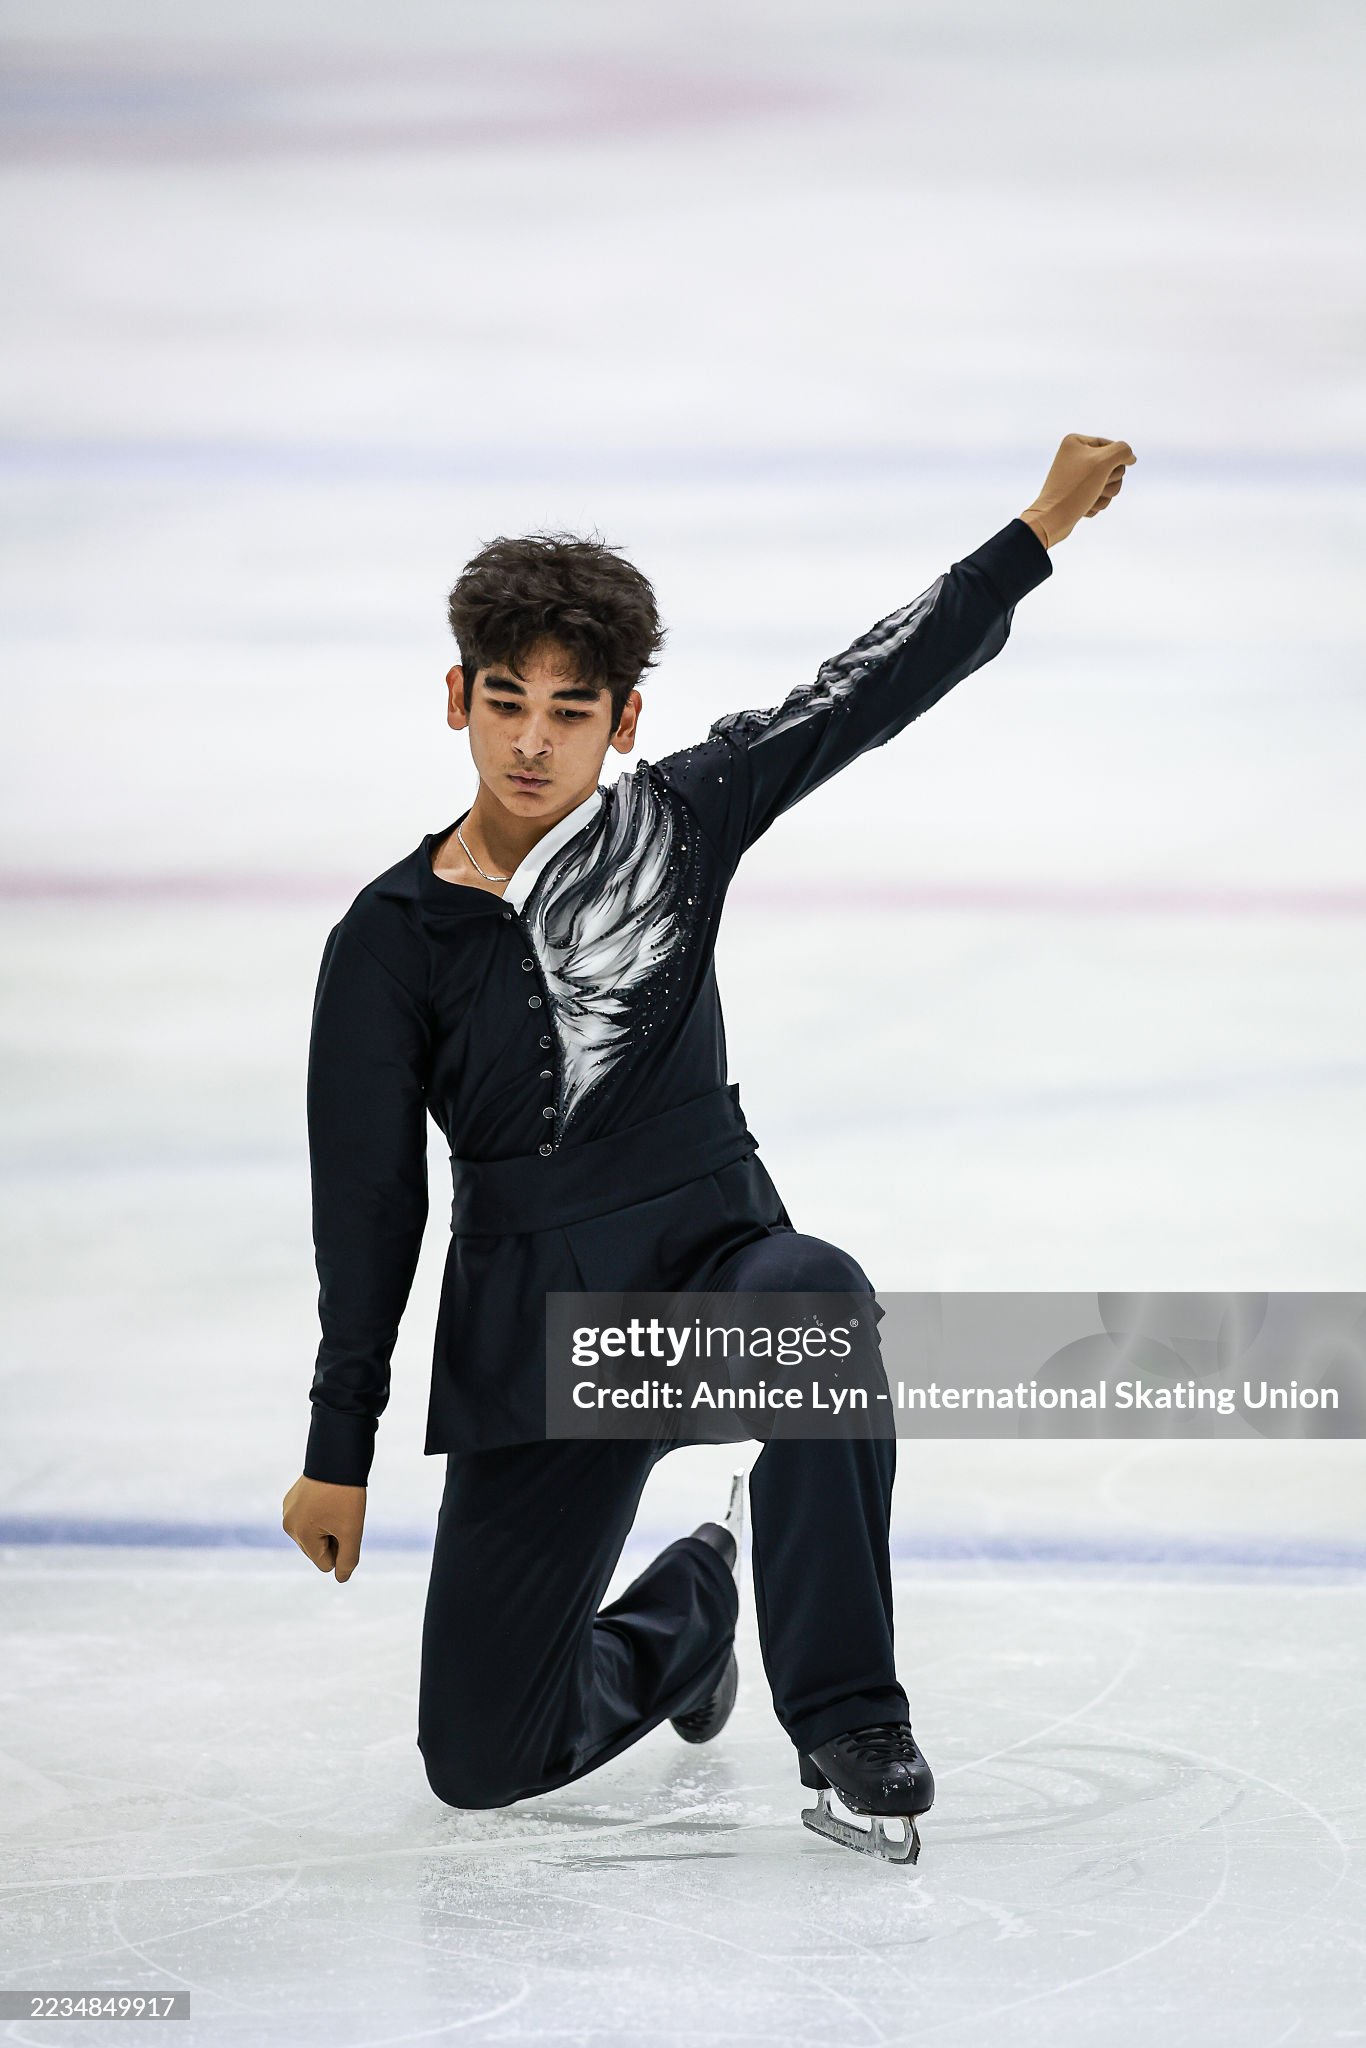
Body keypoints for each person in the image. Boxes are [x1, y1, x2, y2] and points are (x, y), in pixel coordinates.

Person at [283, 432, 1135, 1864]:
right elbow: (366, 1206)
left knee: (815, 1302)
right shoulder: (387, 941)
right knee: (480, 1760)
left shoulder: (678, 821)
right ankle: (688, 1620)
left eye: (570, 710)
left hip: (708, 1278)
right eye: (507, 703)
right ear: (458, 699)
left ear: (622, 719)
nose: (532, 742)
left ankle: (847, 1718)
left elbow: (860, 690)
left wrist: (1035, 531)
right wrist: (336, 1446)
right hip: (541, 1345)